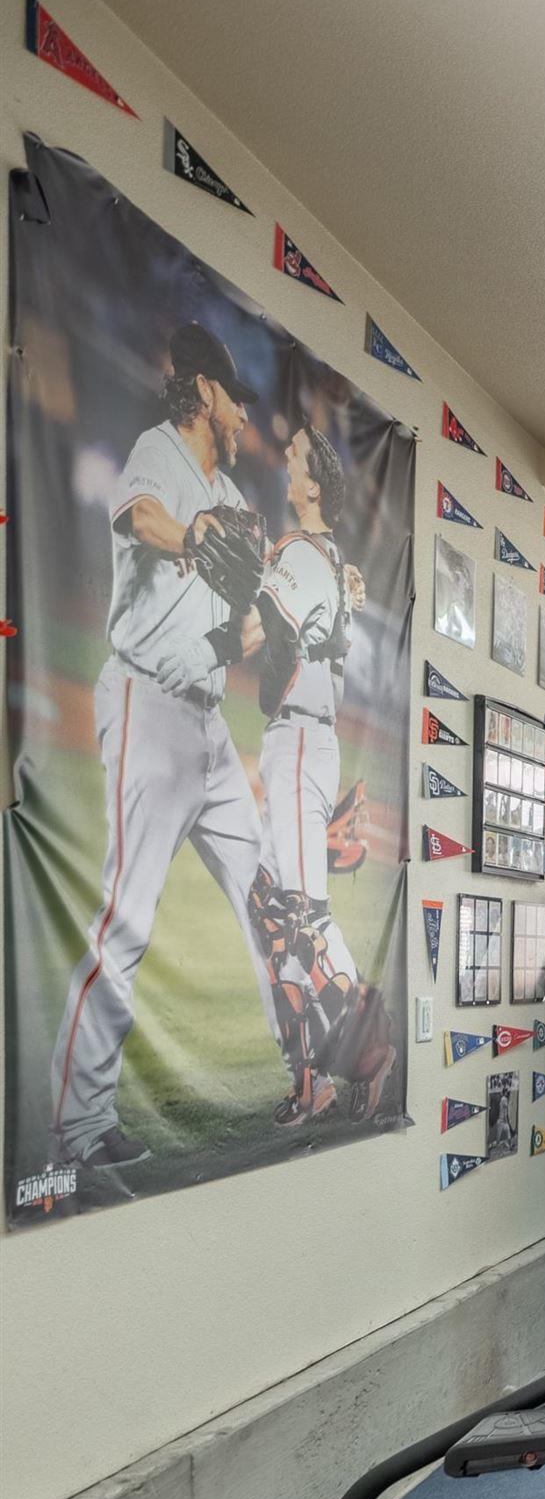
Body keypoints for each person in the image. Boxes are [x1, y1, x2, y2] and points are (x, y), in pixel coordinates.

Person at [44, 322, 277, 1174]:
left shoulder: (237, 495)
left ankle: (314, 1072)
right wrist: (194, 536)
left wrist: (249, 629)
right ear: (205, 394)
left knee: (271, 903)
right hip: (145, 705)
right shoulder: (161, 453)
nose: (246, 412)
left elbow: (235, 627)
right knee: (128, 920)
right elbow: (137, 513)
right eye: (237, 396)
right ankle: (75, 1132)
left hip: (207, 722)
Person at [243, 424, 379, 1124]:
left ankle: (377, 1048)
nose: (284, 461)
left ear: (314, 486)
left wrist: (237, 580)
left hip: (298, 738)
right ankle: (313, 1079)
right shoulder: (326, 557)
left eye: (294, 458)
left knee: (299, 914)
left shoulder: (300, 552)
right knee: (272, 906)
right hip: (303, 738)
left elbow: (254, 638)